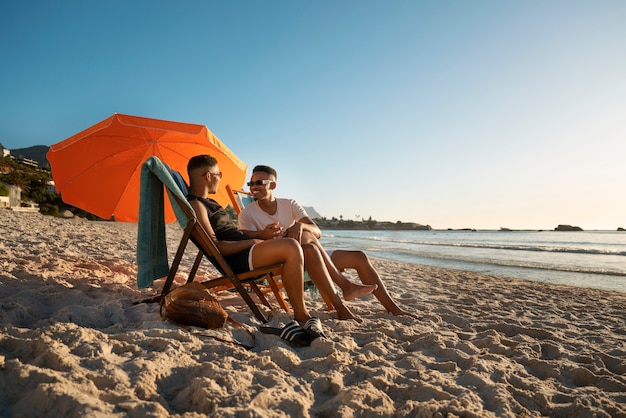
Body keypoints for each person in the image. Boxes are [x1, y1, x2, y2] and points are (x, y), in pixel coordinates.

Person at [238, 165, 416, 318]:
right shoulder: (247, 214)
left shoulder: (289, 204)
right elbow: (247, 245)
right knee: (307, 244)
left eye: (259, 182)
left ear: (273, 185)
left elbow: (317, 231)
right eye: (251, 183)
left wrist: (300, 226)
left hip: (312, 253)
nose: (253, 187)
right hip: (285, 260)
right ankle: (344, 289)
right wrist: (264, 234)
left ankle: (394, 309)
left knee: (358, 256)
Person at [186, 154, 326, 343]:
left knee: (296, 243)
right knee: (291, 246)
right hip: (238, 258)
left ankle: (305, 311)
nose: (221, 177)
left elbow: (231, 233)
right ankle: (302, 316)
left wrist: (261, 234)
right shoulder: (197, 204)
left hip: (247, 249)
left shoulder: (209, 202)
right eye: (219, 173)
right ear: (208, 176)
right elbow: (216, 248)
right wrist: (253, 242)